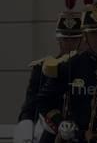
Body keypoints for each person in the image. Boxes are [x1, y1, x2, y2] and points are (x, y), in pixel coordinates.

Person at [37, 2, 97, 143]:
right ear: (85, 36)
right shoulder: (71, 65)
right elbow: (44, 100)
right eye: (94, 33)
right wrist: (60, 124)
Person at [14, 10, 83, 143]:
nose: (69, 44)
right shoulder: (42, 67)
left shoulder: (86, 68)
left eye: (74, 39)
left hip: (81, 131)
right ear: (58, 40)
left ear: (81, 40)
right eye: (65, 40)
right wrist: (25, 126)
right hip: (51, 130)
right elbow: (31, 103)